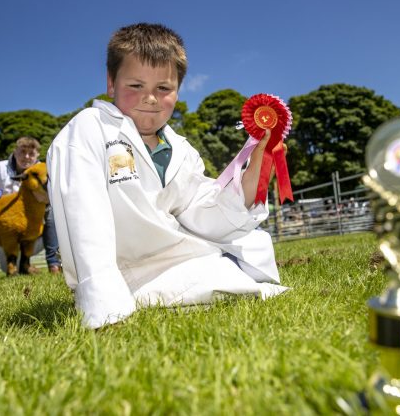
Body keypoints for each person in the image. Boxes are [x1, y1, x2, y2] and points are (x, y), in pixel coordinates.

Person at [48, 23, 287, 329]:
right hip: (127, 272)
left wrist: (260, 160)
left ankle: (227, 275)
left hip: (180, 258)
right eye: (135, 86)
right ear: (111, 83)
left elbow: (203, 212)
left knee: (248, 259)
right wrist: (105, 309)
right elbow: (84, 215)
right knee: (239, 287)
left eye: (163, 89)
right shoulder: (88, 129)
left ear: (177, 91)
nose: (150, 98)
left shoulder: (181, 149)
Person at [0, 136, 61, 274]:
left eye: (31, 153)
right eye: (22, 152)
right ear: (15, 152)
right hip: (9, 231)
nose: (26, 157)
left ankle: (54, 263)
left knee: (52, 212)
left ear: (37, 155)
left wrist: (47, 199)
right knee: (6, 267)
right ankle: (22, 265)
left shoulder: (44, 170)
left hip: (36, 230)